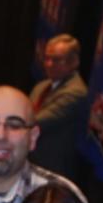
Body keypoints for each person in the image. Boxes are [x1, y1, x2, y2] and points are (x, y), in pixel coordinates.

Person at [27, 34, 89, 181]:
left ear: (73, 62)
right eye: (46, 58)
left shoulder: (76, 92)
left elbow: (37, 122)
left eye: (55, 60)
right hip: (30, 162)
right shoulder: (41, 86)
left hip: (52, 170)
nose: (48, 64)